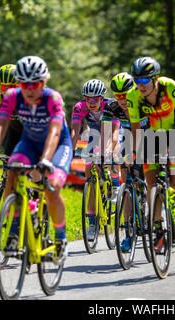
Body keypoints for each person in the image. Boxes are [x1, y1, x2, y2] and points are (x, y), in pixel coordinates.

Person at [0, 56, 73, 264]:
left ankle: (60, 238)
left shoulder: (53, 98)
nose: (29, 90)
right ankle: (14, 233)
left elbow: (55, 133)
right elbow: (0, 129)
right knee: (12, 170)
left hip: (57, 144)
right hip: (30, 141)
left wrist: (46, 160)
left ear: (44, 82)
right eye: (24, 84)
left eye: (36, 84)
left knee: (53, 187)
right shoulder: (11, 96)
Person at [126, 57, 175, 252]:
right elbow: (135, 130)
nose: (140, 86)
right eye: (136, 81)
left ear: (155, 78)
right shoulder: (133, 96)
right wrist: (135, 153)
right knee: (151, 185)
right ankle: (159, 232)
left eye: (144, 81)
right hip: (153, 137)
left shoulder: (170, 87)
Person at [101, 72, 149, 252]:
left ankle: (154, 208)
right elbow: (106, 132)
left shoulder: (143, 102)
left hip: (151, 136)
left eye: (125, 94)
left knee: (150, 177)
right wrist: (105, 153)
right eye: (118, 96)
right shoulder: (112, 107)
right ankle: (129, 232)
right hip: (130, 139)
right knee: (126, 181)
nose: (121, 99)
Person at [70, 79, 114, 240]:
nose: (92, 102)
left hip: (112, 133)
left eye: (95, 99)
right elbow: (75, 132)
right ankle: (92, 223)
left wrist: (106, 152)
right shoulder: (79, 107)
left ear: (102, 98)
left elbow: (110, 134)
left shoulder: (110, 106)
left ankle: (114, 184)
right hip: (94, 135)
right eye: (88, 99)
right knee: (89, 169)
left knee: (111, 154)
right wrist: (70, 151)